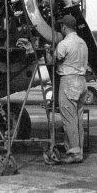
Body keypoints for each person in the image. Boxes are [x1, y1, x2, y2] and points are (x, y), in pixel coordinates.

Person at [45, 15, 88, 164]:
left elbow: (52, 62)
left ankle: (75, 153)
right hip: (82, 82)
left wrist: (47, 51)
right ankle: (77, 149)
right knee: (77, 119)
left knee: (69, 119)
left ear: (64, 27)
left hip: (69, 81)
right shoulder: (82, 43)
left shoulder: (65, 43)